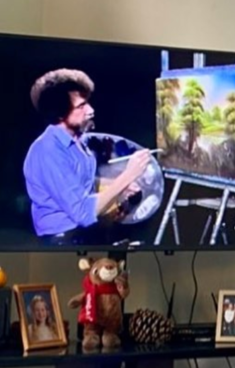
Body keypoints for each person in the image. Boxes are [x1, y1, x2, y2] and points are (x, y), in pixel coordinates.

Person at [23, 69, 151, 246]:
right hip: (62, 242)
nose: (91, 110)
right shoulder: (48, 151)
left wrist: (120, 187)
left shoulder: (78, 142)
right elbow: (83, 212)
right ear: (60, 113)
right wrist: (128, 175)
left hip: (84, 233)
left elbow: (80, 183)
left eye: (87, 103)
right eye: (81, 106)